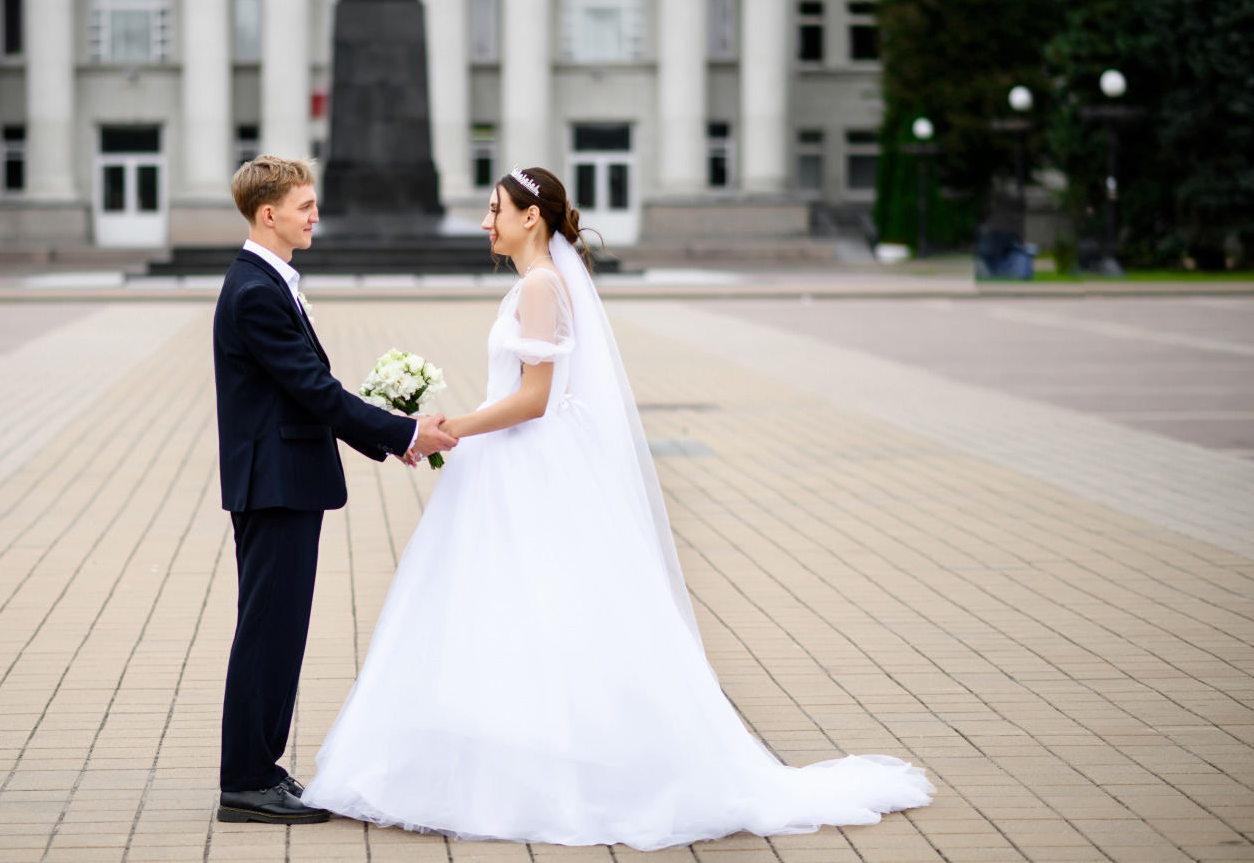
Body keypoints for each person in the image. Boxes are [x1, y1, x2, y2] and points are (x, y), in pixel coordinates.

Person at [300, 167, 934, 849]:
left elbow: (537, 398)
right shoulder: (534, 283)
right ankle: (509, 758)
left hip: (524, 464)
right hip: (512, 462)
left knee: (531, 606)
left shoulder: (541, 285)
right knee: (510, 608)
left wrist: (451, 427)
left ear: (531, 218)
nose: (486, 222)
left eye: (495, 210)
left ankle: (541, 768)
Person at [212, 156, 456, 825]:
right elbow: (313, 390)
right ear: (269, 214)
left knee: (278, 630)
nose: (315, 214)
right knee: (269, 631)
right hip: (275, 484)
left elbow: (305, 394)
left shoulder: (267, 280)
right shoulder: (257, 290)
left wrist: (390, 434)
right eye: (304, 205)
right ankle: (246, 780)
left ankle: (259, 768)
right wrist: (403, 433)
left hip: (282, 480)